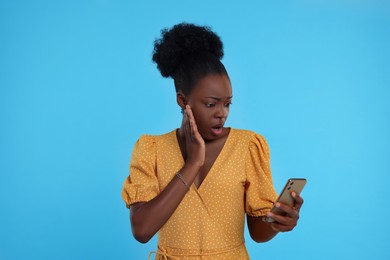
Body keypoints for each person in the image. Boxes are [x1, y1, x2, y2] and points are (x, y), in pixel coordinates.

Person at [122, 23, 304, 259]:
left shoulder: (247, 146)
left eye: (227, 103)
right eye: (211, 104)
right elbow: (142, 230)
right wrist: (192, 164)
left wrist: (277, 222)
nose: (222, 113)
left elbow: (258, 233)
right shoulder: (151, 149)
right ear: (182, 100)